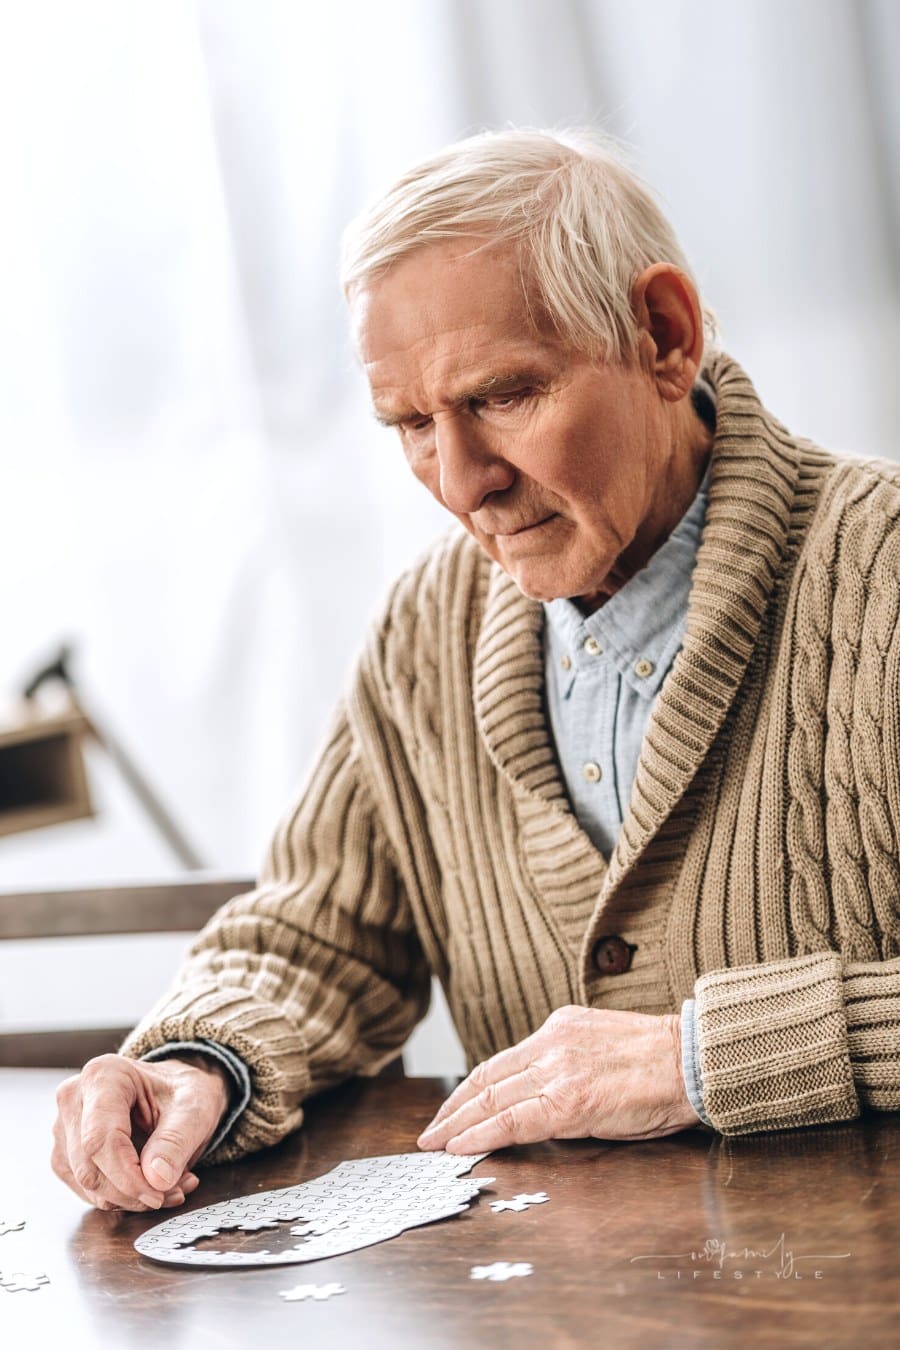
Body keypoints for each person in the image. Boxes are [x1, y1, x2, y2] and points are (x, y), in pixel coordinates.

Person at [52, 128, 900, 1214]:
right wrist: (199, 1064)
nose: (461, 484)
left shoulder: (876, 573)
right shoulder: (427, 627)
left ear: (663, 335)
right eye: (410, 424)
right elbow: (321, 931)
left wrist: (701, 1059)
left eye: (503, 396)